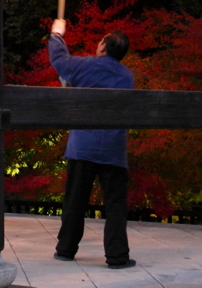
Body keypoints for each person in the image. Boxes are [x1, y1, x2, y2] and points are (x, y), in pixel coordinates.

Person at [48, 19, 136, 269]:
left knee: (75, 199)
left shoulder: (86, 67)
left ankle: (66, 249)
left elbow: (60, 61)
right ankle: (117, 255)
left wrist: (57, 34)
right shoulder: (126, 76)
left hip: (83, 145)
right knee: (116, 204)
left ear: (102, 47)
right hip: (113, 148)